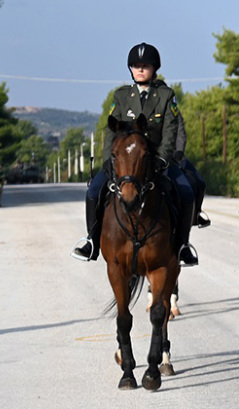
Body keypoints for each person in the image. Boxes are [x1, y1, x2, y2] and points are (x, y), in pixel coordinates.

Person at [71, 42, 199, 266]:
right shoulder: (121, 96)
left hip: (158, 161)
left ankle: (182, 246)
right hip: (123, 163)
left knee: (187, 192)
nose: (140, 70)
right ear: (130, 68)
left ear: (154, 68)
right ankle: (92, 242)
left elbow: (170, 130)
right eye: (136, 66)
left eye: (145, 65)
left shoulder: (166, 95)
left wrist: (162, 157)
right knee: (93, 191)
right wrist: (109, 162)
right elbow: (111, 131)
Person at [172, 110, 210, 228]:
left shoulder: (174, 112)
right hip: (152, 155)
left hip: (175, 155)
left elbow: (181, 134)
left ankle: (196, 214)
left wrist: (179, 151)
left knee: (200, 182)